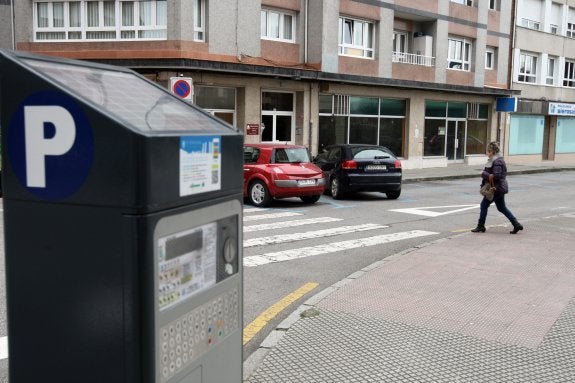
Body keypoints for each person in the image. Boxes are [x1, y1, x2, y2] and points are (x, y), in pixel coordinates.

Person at [471, 141, 524, 234]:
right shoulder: (494, 160)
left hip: (496, 188)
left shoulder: (497, 161)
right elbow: (492, 175)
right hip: (498, 188)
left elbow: (497, 175)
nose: (486, 153)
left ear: (491, 151)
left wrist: (483, 173)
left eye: (487, 151)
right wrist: (483, 182)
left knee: (483, 205)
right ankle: (516, 224)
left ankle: (480, 226)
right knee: (501, 207)